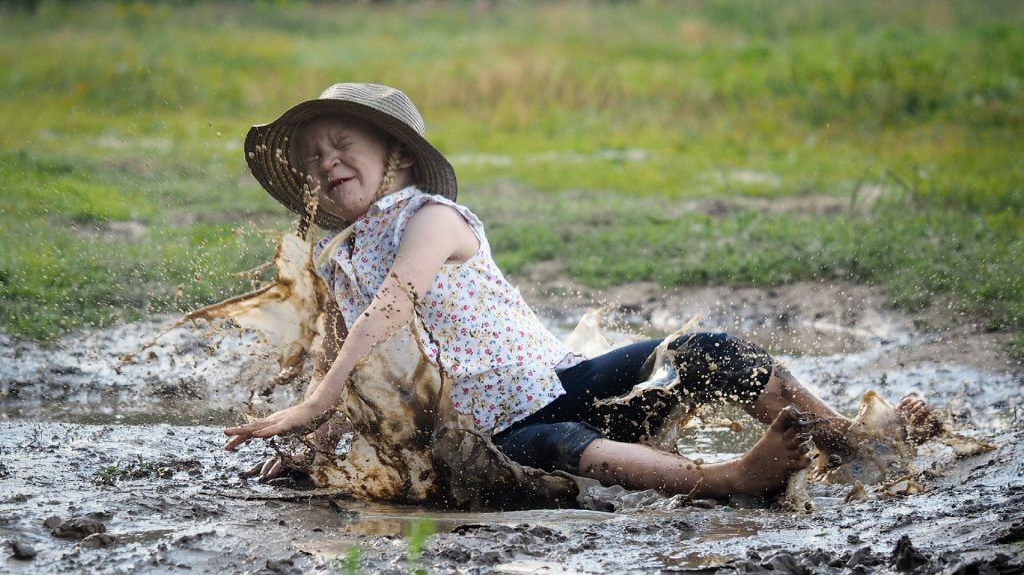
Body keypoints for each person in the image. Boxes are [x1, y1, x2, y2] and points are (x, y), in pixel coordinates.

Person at [224, 83, 939, 499]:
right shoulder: (338, 263)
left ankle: (845, 439)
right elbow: (349, 373)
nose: (327, 162)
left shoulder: (431, 218)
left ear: (398, 156)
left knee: (702, 350)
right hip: (490, 440)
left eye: (344, 143)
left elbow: (395, 305)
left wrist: (315, 404)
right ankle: (726, 478)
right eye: (315, 158)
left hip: (561, 383)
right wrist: (312, 445)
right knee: (570, 449)